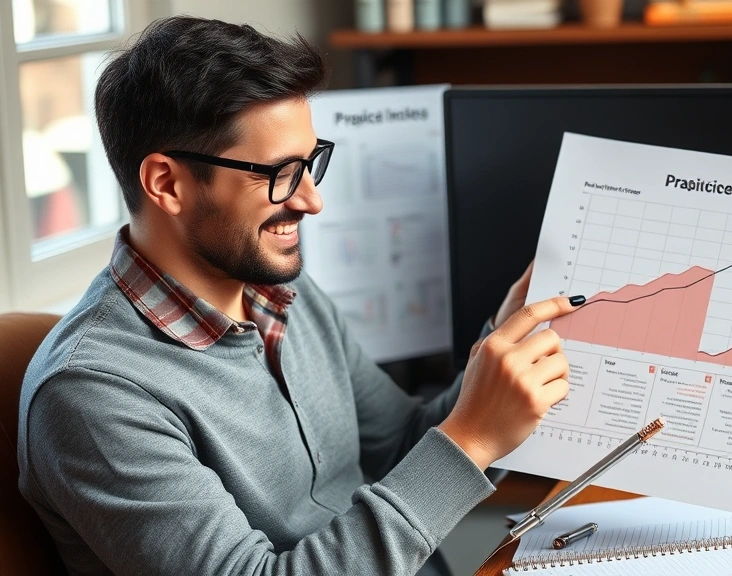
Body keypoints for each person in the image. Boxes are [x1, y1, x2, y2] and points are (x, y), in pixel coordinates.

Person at [17, 16, 583, 576]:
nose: (311, 201)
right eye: (282, 174)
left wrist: (505, 347)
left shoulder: (280, 290)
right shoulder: (92, 393)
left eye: (310, 163)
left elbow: (403, 447)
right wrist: (472, 439)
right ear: (167, 183)